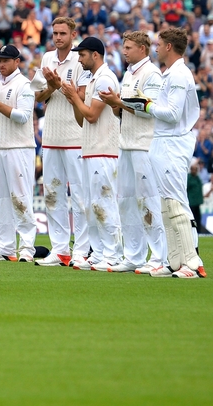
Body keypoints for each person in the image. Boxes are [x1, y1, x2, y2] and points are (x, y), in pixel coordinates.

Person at [121, 27, 206, 279]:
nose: (155, 48)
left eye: (158, 44)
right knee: (165, 203)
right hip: (161, 140)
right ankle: (175, 260)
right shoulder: (170, 73)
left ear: (169, 46)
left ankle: (192, 263)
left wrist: (145, 104)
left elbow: (172, 114)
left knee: (176, 203)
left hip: (173, 141)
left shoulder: (179, 74)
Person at [97, 31, 168, 273]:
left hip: (144, 144)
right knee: (126, 202)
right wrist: (116, 106)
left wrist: (119, 103)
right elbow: (125, 109)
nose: (124, 51)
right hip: (125, 142)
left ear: (142, 49)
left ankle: (160, 258)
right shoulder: (128, 74)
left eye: (128, 47)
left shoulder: (152, 74)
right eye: (124, 47)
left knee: (148, 200)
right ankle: (134, 255)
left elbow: (152, 108)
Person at [31, 17, 89, 267]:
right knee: (53, 194)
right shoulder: (46, 58)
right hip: (51, 135)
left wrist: (58, 86)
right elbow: (37, 95)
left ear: (73, 34)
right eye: (55, 33)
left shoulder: (82, 59)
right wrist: (54, 87)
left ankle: (82, 250)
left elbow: (83, 95)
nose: (58, 37)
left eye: (63, 33)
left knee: (79, 195)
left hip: (76, 135)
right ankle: (60, 249)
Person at [61, 37, 123, 271]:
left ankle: (113, 254)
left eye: (82, 54)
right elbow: (82, 120)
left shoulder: (105, 78)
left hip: (104, 150)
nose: (79, 58)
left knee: (104, 203)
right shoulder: (92, 79)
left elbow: (92, 116)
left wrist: (75, 97)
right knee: (91, 204)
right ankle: (98, 252)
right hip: (90, 148)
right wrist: (72, 100)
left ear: (95, 54)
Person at [0, 45, 37, 262]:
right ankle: (6, 247)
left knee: (20, 197)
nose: (1, 64)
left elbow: (22, 117)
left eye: (6, 60)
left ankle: (27, 248)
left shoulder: (25, 85)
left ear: (17, 62)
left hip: (19, 148)